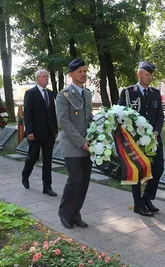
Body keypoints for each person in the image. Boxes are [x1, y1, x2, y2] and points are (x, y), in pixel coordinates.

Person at [118, 61, 165, 217]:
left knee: (158, 168)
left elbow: (160, 116)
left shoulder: (155, 93)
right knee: (137, 170)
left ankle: (147, 198)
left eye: (151, 74)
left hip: (154, 139)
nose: (150, 77)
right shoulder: (127, 92)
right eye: (147, 74)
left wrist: (157, 132)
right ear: (139, 74)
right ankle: (138, 204)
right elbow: (119, 115)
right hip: (135, 140)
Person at [57, 58, 93, 229]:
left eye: (85, 71)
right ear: (71, 74)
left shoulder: (87, 93)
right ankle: (64, 212)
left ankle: (75, 213)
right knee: (75, 179)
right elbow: (64, 122)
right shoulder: (63, 95)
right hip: (72, 146)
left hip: (88, 145)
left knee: (84, 181)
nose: (83, 74)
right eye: (79, 71)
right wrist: (81, 142)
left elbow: (88, 119)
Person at [21, 69, 58, 197]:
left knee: (48, 160)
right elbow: (28, 114)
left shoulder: (50, 93)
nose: (47, 78)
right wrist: (29, 131)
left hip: (49, 133)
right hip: (35, 133)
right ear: (38, 78)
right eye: (44, 76)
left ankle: (47, 186)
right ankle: (25, 175)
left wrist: (55, 130)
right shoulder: (30, 93)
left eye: (48, 76)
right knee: (33, 157)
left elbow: (53, 113)